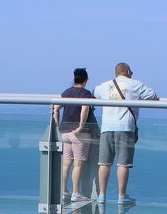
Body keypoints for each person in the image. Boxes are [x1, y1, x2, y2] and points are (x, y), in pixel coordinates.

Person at [94, 62, 158, 204]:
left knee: (104, 163)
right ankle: (121, 196)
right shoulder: (134, 84)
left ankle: (102, 195)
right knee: (123, 164)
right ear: (128, 72)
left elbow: (94, 92)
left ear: (116, 73)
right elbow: (153, 95)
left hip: (107, 127)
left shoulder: (105, 85)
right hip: (125, 127)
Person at [54, 68, 96, 201]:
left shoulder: (67, 92)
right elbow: (85, 109)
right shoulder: (86, 93)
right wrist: (81, 126)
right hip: (79, 134)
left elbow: (55, 107)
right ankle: (76, 193)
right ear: (86, 80)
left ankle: (64, 190)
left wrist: (56, 122)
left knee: (66, 163)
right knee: (78, 164)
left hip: (65, 131)